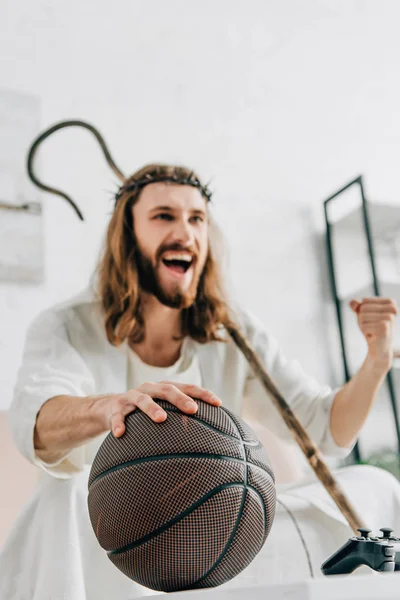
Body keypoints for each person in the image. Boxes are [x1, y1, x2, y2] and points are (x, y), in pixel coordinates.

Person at [1, 163, 400, 600]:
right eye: (163, 216)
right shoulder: (64, 324)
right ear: (127, 236)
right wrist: (107, 406)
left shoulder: (232, 330)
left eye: (197, 219)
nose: (185, 233)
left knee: (376, 484)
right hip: (110, 528)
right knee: (64, 494)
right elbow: (35, 424)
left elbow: (326, 429)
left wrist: (376, 362)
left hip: (212, 525)